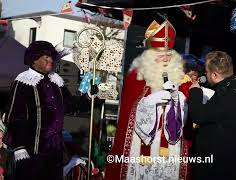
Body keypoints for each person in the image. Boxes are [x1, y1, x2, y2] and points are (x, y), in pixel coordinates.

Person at [105, 20, 193, 180]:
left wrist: (177, 98)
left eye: (168, 53)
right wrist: (152, 102)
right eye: (160, 54)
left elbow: (187, 113)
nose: (165, 58)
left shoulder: (181, 78)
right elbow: (130, 112)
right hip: (141, 144)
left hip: (170, 144)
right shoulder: (136, 76)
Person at [4, 41, 95, 180]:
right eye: (46, 57)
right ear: (34, 59)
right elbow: (16, 117)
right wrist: (19, 146)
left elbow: (69, 105)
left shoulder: (55, 81)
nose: (50, 60)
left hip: (55, 153)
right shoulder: (23, 81)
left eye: (52, 57)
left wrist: (88, 96)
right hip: (32, 153)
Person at [188, 51, 236, 179]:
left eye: (206, 72)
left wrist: (195, 91)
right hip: (224, 161)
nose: (205, 75)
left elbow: (198, 115)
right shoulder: (234, 89)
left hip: (217, 166)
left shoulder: (229, 95)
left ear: (215, 74)